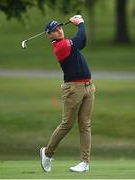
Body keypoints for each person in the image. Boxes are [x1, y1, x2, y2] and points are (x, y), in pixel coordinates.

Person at [40, 15, 95, 173]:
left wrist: (80, 26)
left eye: (60, 28)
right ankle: (47, 153)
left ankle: (84, 162)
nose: (59, 31)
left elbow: (82, 42)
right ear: (49, 35)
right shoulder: (61, 46)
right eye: (54, 30)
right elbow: (81, 37)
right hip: (73, 88)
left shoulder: (68, 43)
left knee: (85, 125)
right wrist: (81, 23)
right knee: (67, 124)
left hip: (89, 86)